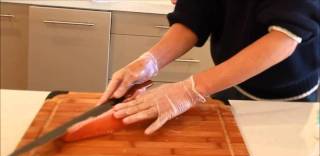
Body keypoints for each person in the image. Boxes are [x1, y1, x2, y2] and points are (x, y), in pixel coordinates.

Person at [97, 0, 320, 135]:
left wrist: (191, 89)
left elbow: (283, 38)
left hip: (290, 95)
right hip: (231, 80)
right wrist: (150, 61)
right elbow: (195, 16)